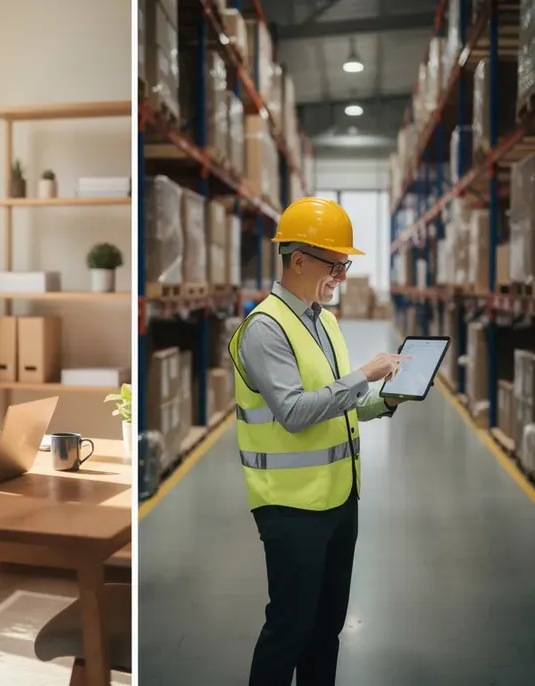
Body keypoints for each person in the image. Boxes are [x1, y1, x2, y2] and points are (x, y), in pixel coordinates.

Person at [230, 197, 417, 686]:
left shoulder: (324, 321)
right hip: (291, 508)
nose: (343, 277)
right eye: (336, 265)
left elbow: (338, 406)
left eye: (345, 265)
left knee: (325, 630)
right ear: (298, 261)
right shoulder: (265, 328)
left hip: (339, 498)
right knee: (289, 630)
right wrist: (364, 373)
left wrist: (387, 399)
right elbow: (294, 412)